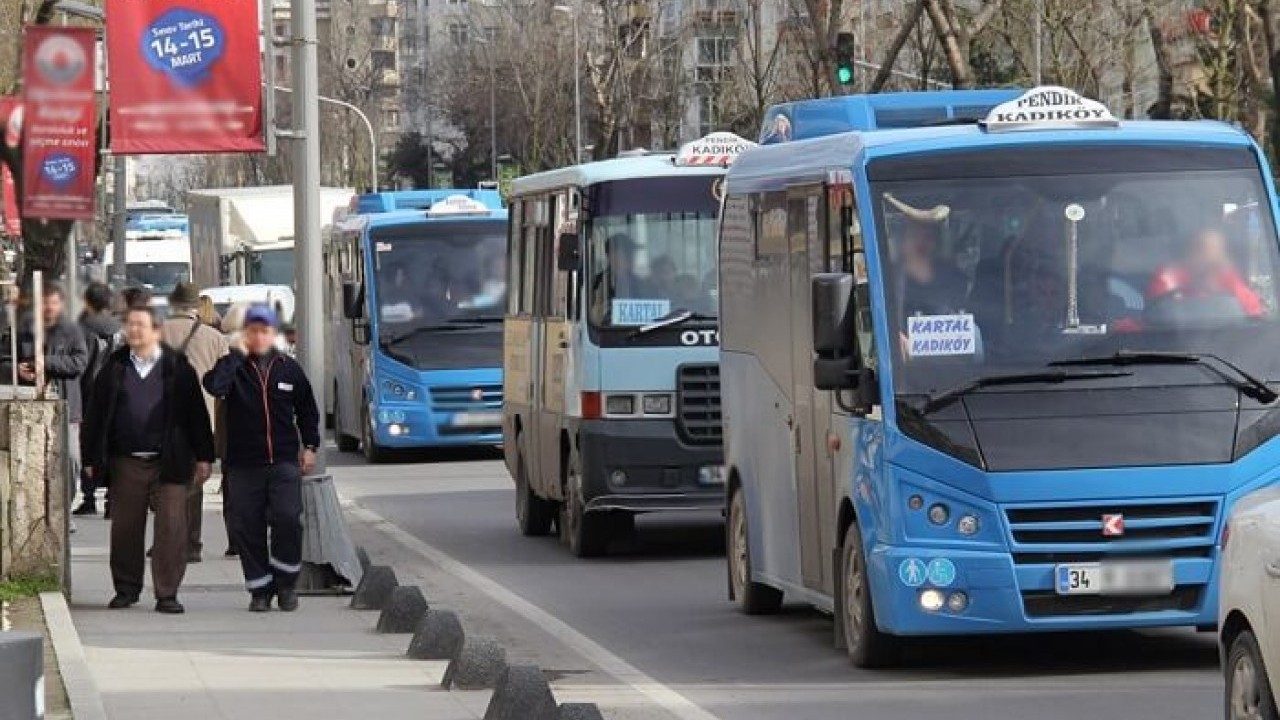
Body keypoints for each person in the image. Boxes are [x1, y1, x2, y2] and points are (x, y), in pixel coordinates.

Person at [81, 306, 215, 614]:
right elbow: (96, 414)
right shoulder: (115, 366)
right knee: (126, 527)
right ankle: (126, 588)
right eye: (130, 326)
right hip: (126, 460)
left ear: (156, 331)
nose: (134, 331)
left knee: (172, 526)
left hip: (169, 459)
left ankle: (167, 592)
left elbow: (196, 414)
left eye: (140, 326)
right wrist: (91, 456)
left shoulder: (177, 367)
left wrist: (205, 456)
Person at [203, 305, 320, 613]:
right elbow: (214, 386)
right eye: (252, 331)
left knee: (287, 519)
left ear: (273, 334)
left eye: (264, 331)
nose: (258, 337)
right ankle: (259, 589)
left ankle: (286, 584)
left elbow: (308, 410)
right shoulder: (233, 366)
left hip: (282, 461)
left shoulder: (288, 369)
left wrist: (310, 446)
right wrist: (236, 356)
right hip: (243, 463)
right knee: (245, 526)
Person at [3, 283, 89, 511]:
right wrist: (16, 370)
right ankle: (38, 510)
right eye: (45, 303)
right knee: (34, 461)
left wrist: (46, 363)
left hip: (67, 407)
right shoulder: (22, 330)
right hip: (30, 405)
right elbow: (4, 360)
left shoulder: (72, 331)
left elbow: (80, 363)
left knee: (70, 459)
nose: (49, 308)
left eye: (53, 303)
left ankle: (64, 508)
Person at [161, 282, 230, 564]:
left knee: (162, 484)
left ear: (173, 303)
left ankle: (165, 540)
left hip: (161, 418)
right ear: (194, 306)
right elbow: (227, 381)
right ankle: (191, 543)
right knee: (194, 484)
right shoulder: (215, 338)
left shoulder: (156, 332)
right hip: (203, 418)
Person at [74, 282, 121, 517]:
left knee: (88, 443)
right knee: (113, 442)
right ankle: (113, 496)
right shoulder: (119, 329)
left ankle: (89, 496)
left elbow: (80, 364)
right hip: (117, 392)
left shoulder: (80, 328)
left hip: (87, 392)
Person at [1147, 226, 1264, 318]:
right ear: (1189, 252)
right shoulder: (1167, 278)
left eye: (1217, 249)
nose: (1210, 255)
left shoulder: (1232, 282)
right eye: (1202, 248)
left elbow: (1253, 319)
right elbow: (1156, 316)